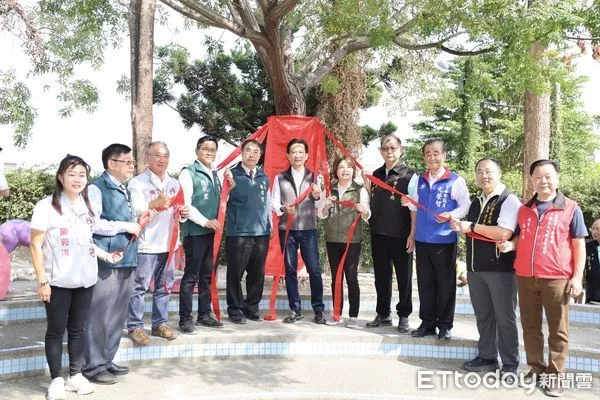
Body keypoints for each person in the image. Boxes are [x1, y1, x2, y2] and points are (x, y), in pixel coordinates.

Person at [30, 155, 122, 400]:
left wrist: (104, 256)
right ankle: (56, 380)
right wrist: (42, 281)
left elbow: (87, 241)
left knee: (78, 329)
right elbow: (35, 245)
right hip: (57, 282)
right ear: (61, 177)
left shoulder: (87, 205)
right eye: (72, 174)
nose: (77, 179)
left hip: (85, 280)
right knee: (55, 331)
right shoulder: (45, 206)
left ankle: (75, 375)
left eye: (82, 174)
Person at [499, 159, 587, 397]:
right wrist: (510, 246)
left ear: (557, 178)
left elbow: (579, 245)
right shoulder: (524, 209)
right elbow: (521, 237)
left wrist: (577, 277)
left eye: (548, 176)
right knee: (530, 326)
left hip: (556, 278)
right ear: (532, 180)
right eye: (538, 177)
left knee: (558, 329)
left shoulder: (571, 208)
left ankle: (556, 375)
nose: (543, 181)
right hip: (526, 276)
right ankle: (536, 368)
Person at [83, 144, 148, 385]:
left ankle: (107, 359)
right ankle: (92, 365)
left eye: (132, 162)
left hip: (127, 257)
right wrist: (124, 225)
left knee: (117, 314)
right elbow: (94, 224)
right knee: (100, 313)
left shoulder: (126, 188)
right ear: (112, 163)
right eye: (127, 162)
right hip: (107, 260)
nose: (132, 166)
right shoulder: (96, 188)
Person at [450, 158, 521, 376]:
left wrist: (471, 226)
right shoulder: (476, 201)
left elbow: (504, 232)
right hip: (476, 268)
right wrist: (462, 227)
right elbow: (472, 231)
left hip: (500, 269)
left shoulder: (509, 200)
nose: (484, 176)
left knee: (505, 317)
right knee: (484, 315)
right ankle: (487, 356)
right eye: (479, 171)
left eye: (489, 171)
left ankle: (510, 363)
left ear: (499, 173)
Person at [407, 139, 470, 341]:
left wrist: (450, 214)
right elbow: (415, 207)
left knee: (445, 284)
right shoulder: (420, 180)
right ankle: (427, 323)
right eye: (427, 153)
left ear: (444, 155)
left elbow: (465, 206)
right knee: (425, 284)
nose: (432, 157)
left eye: (436, 153)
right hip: (423, 239)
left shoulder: (455, 180)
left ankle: (444, 325)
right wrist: (412, 229)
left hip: (444, 240)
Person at [127, 142, 188, 344]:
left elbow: (179, 212)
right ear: (148, 157)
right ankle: (135, 327)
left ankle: (158, 324)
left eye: (165, 156)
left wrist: (184, 213)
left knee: (164, 286)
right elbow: (137, 210)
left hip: (169, 245)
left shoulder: (174, 184)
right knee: (140, 287)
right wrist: (155, 204)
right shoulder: (138, 183)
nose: (162, 160)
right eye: (157, 156)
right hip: (147, 244)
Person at [364, 134, 416, 332]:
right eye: (385, 148)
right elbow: (372, 201)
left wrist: (412, 234)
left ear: (400, 150)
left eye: (393, 148)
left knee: (404, 277)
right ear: (380, 151)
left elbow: (414, 208)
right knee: (381, 276)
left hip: (402, 235)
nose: (389, 151)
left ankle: (404, 315)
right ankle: (383, 313)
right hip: (379, 233)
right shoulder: (376, 175)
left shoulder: (410, 175)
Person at [272, 138, 326, 324]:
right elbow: (274, 202)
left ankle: (319, 309)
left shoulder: (314, 177)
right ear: (288, 155)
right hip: (286, 230)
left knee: (314, 270)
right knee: (290, 271)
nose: (297, 155)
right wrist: (283, 209)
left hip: (308, 229)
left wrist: (318, 196)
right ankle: (295, 309)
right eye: (293, 152)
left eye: (300, 152)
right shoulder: (280, 177)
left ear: (307, 155)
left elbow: (321, 204)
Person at [177, 136, 225, 331]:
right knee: (191, 276)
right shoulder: (188, 173)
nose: (209, 152)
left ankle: (204, 314)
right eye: (205, 148)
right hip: (195, 233)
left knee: (207, 275)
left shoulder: (216, 174)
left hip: (212, 233)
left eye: (213, 149)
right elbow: (186, 205)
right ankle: (185, 318)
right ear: (197, 151)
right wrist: (206, 222)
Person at [319, 156, 370, 328]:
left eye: (348, 167)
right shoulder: (329, 189)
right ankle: (336, 314)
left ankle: (353, 316)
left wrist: (364, 211)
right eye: (341, 167)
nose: (345, 170)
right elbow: (322, 214)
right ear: (336, 170)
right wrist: (325, 205)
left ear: (353, 170)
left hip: (352, 240)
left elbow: (367, 215)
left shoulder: (360, 190)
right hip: (332, 239)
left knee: (351, 278)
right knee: (336, 278)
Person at [225, 139, 272, 324]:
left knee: (257, 273)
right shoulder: (231, 175)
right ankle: (235, 309)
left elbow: (267, 205)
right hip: (238, 232)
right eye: (248, 151)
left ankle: (252, 308)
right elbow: (222, 202)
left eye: (255, 151)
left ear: (260, 155)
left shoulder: (264, 177)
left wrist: (270, 226)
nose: (251, 154)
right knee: (235, 272)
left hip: (261, 233)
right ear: (241, 153)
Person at [584, 219, 600, 304]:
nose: (594, 232)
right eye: (592, 229)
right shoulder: (587, 246)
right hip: (593, 294)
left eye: (597, 229)